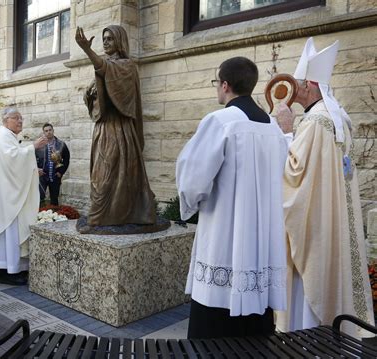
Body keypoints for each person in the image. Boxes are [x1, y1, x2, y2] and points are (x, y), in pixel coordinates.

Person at [176, 57, 288, 338]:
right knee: (253, 335)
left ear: (225, 85)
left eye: (217, 83)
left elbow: (192, 178)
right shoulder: (273, 128)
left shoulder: (221, 121)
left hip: (224, 237)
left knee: (214, 336)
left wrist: (192, 204)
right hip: (260, 243)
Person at [275, 38, 375, 337]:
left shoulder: (316, 121)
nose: (295, 91)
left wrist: (284, 132)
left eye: (300, 85)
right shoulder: (337, 117)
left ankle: (306, 335)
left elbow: (295, 170)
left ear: (311, 86)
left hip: (315, 218)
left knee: (309, 277)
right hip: (333, 214)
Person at [76, 25, 156, 226]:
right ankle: (103, 216)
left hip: (118, 130)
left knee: (108, 175)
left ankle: (99, 218)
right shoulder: (107, 64)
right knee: (98, 174)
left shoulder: (126, 66)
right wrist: (91, 95)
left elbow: (104, 68)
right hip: (102, 129)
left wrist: (87, 49)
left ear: (119, 41)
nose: (105, 42)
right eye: (104, 38)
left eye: (110, 39)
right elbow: (97, 92)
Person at [0, 107, 47, 285]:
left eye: (21, 118)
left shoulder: (9, 137)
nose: (20, 121)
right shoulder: (2, 137)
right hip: (6, 197)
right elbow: (13, 158)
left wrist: (33, 171)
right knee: (8, 231)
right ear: (5, 120)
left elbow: (15, 165)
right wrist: (33, 146)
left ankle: (15, 268)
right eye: (16, 118)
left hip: (10, 193)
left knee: (13, 233)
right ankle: (6, 271)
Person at [35, 123, 70, 206]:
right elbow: (32, 158)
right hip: (42, 176)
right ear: (43, 132)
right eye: (46, 131)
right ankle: (40, 216)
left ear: (53, 131)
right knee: (40, 197)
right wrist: (37, 169)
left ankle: (54, 216)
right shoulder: (39, 144)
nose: (48, 132)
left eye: (50, 130)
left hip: (55, 175)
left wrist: (60, 172)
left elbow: (66, 159)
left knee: (54, 198)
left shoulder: (61, 144)